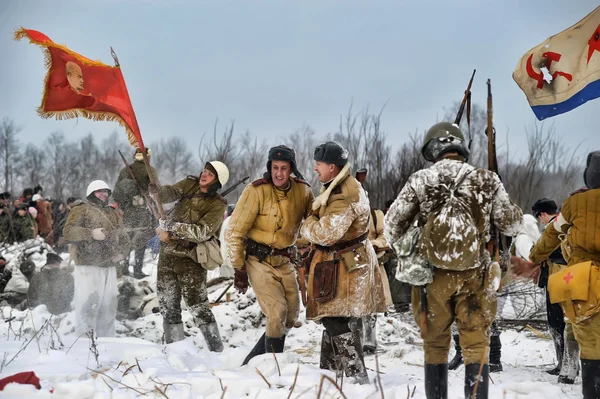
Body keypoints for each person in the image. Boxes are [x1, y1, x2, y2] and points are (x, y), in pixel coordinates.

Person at [384, 122, 523, 398]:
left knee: (435, 345)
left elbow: (391, 226)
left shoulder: (421, 179)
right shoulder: (487, 179)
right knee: (475, 345)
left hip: (432, 278)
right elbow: (511, 224)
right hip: (475, 276)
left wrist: (415, 244)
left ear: (433, 148)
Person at [300, 141, 386, 384]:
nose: (315, 169)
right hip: (345, 258)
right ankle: (329, 372)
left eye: (319, 165)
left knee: (333, 316)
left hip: (346, 260)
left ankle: (356, 375)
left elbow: (327, 233)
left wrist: (307, 225)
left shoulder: (343, 193)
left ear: (332, 167)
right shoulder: (336, 186)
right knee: (336, 314)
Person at [520, 151, 600, 398]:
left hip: (585, 281)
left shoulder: (576, 203)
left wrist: (533, 258)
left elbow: (552, 234)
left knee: (589, 340)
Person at [226, 145, 314, 365]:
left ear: (291, 169)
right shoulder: (255, 190)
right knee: (277, 312)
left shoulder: (303, 191)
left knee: (291, 316)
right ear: (269, 167)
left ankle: (252, 362)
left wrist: (307, 245)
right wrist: (239, 269)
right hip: (258, 260)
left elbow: (314, 223)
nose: (279, 173)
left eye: (284, 168)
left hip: (284, 260)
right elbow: (234, 232)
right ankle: (272, 370)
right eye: (275, 167)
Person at [149, 161, 229, 351]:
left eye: (210, 174)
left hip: (191, 259)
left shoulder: (217, 205)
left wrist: (170, 228)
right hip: (168, 255)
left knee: (198, 306)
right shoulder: (189, 183)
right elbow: (170, 193)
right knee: (168, 305)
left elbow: (201, 232)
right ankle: (175, 351)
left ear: (217, 181)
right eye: (205, 171)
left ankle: (216, 350)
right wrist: (157, 191)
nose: (204, 174)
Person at [63, 180, 129, 337]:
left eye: (106, 191)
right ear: (91, 192)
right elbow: (68, 232)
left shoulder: (112, 213)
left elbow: (124, 236)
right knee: (87, 304)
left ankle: (107, 341)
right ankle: (84, 341)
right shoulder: (81, 209)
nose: (103, 194)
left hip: (109, 265)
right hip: (87, 265)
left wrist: (122, 253)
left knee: (108, 305)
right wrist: (90, 233)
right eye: (99, 191)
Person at [530, 197, 573, 380]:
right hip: (565, 277)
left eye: (539, 216)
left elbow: (543, 251)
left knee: (557, 322)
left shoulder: (554, 228)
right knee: (564, 322)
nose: (540, 220)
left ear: (543, 214)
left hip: (557, 277)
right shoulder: (565, 223)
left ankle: (565, 364)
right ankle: (565, 364)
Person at [113, 147, 158, 278]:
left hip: (127, 212)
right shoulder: (150, 170)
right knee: (141, 240)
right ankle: (137, 269)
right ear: (147, 157)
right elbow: (156, 190)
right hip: (142, 211)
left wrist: (125, 205)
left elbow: (116, 193)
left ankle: (125, 267)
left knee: (126, 239)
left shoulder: (125, 170)